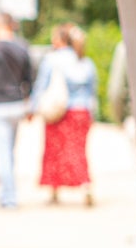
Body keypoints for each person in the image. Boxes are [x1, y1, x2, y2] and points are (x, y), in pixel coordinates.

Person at [0, 13, 37, 210]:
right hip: (17, 104)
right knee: (10, 150)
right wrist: (29, 103)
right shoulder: (22, 47)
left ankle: (9, 196)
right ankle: (7, 193)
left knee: (2, 152)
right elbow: (30, 77)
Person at [34, 24, 99, 205]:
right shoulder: (85, 62)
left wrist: (34, 107)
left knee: (54, 151)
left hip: (59, 111)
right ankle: (85, 185)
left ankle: (54, 190)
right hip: (82, 111)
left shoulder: (52, 60)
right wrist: (93, 115)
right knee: (78, 151)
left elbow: (41, 85)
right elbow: (92, 91)